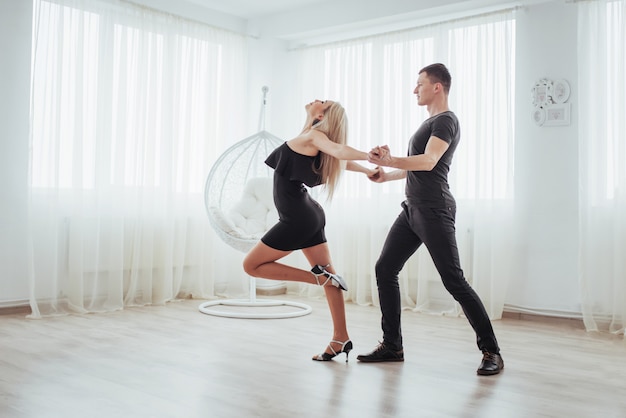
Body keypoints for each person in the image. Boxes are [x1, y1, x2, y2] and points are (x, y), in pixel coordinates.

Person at [358, 63, 504, 375]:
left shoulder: (446, 121)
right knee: (385, 269)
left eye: (419, 84)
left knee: (454, 281)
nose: (415, 90)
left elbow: (429, 161)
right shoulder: (431, 123)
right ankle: (392, 345)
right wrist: (386, 175)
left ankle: (492, 351)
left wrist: (391, 158)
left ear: (437, 87)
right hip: (412, 209)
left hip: (435, 210)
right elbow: (418, 167)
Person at [243, 99, 376, 362]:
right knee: (331, 275)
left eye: (322, 103)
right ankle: (340, 338)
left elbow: (338, 152)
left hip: (298, 218)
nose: (318, 100)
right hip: (308, 214)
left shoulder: (314, 137)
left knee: (251, 265)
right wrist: (367, 170)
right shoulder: (311, 136)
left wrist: (369, 158)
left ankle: (319, 278)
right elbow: (337, 157)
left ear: (323, 115)